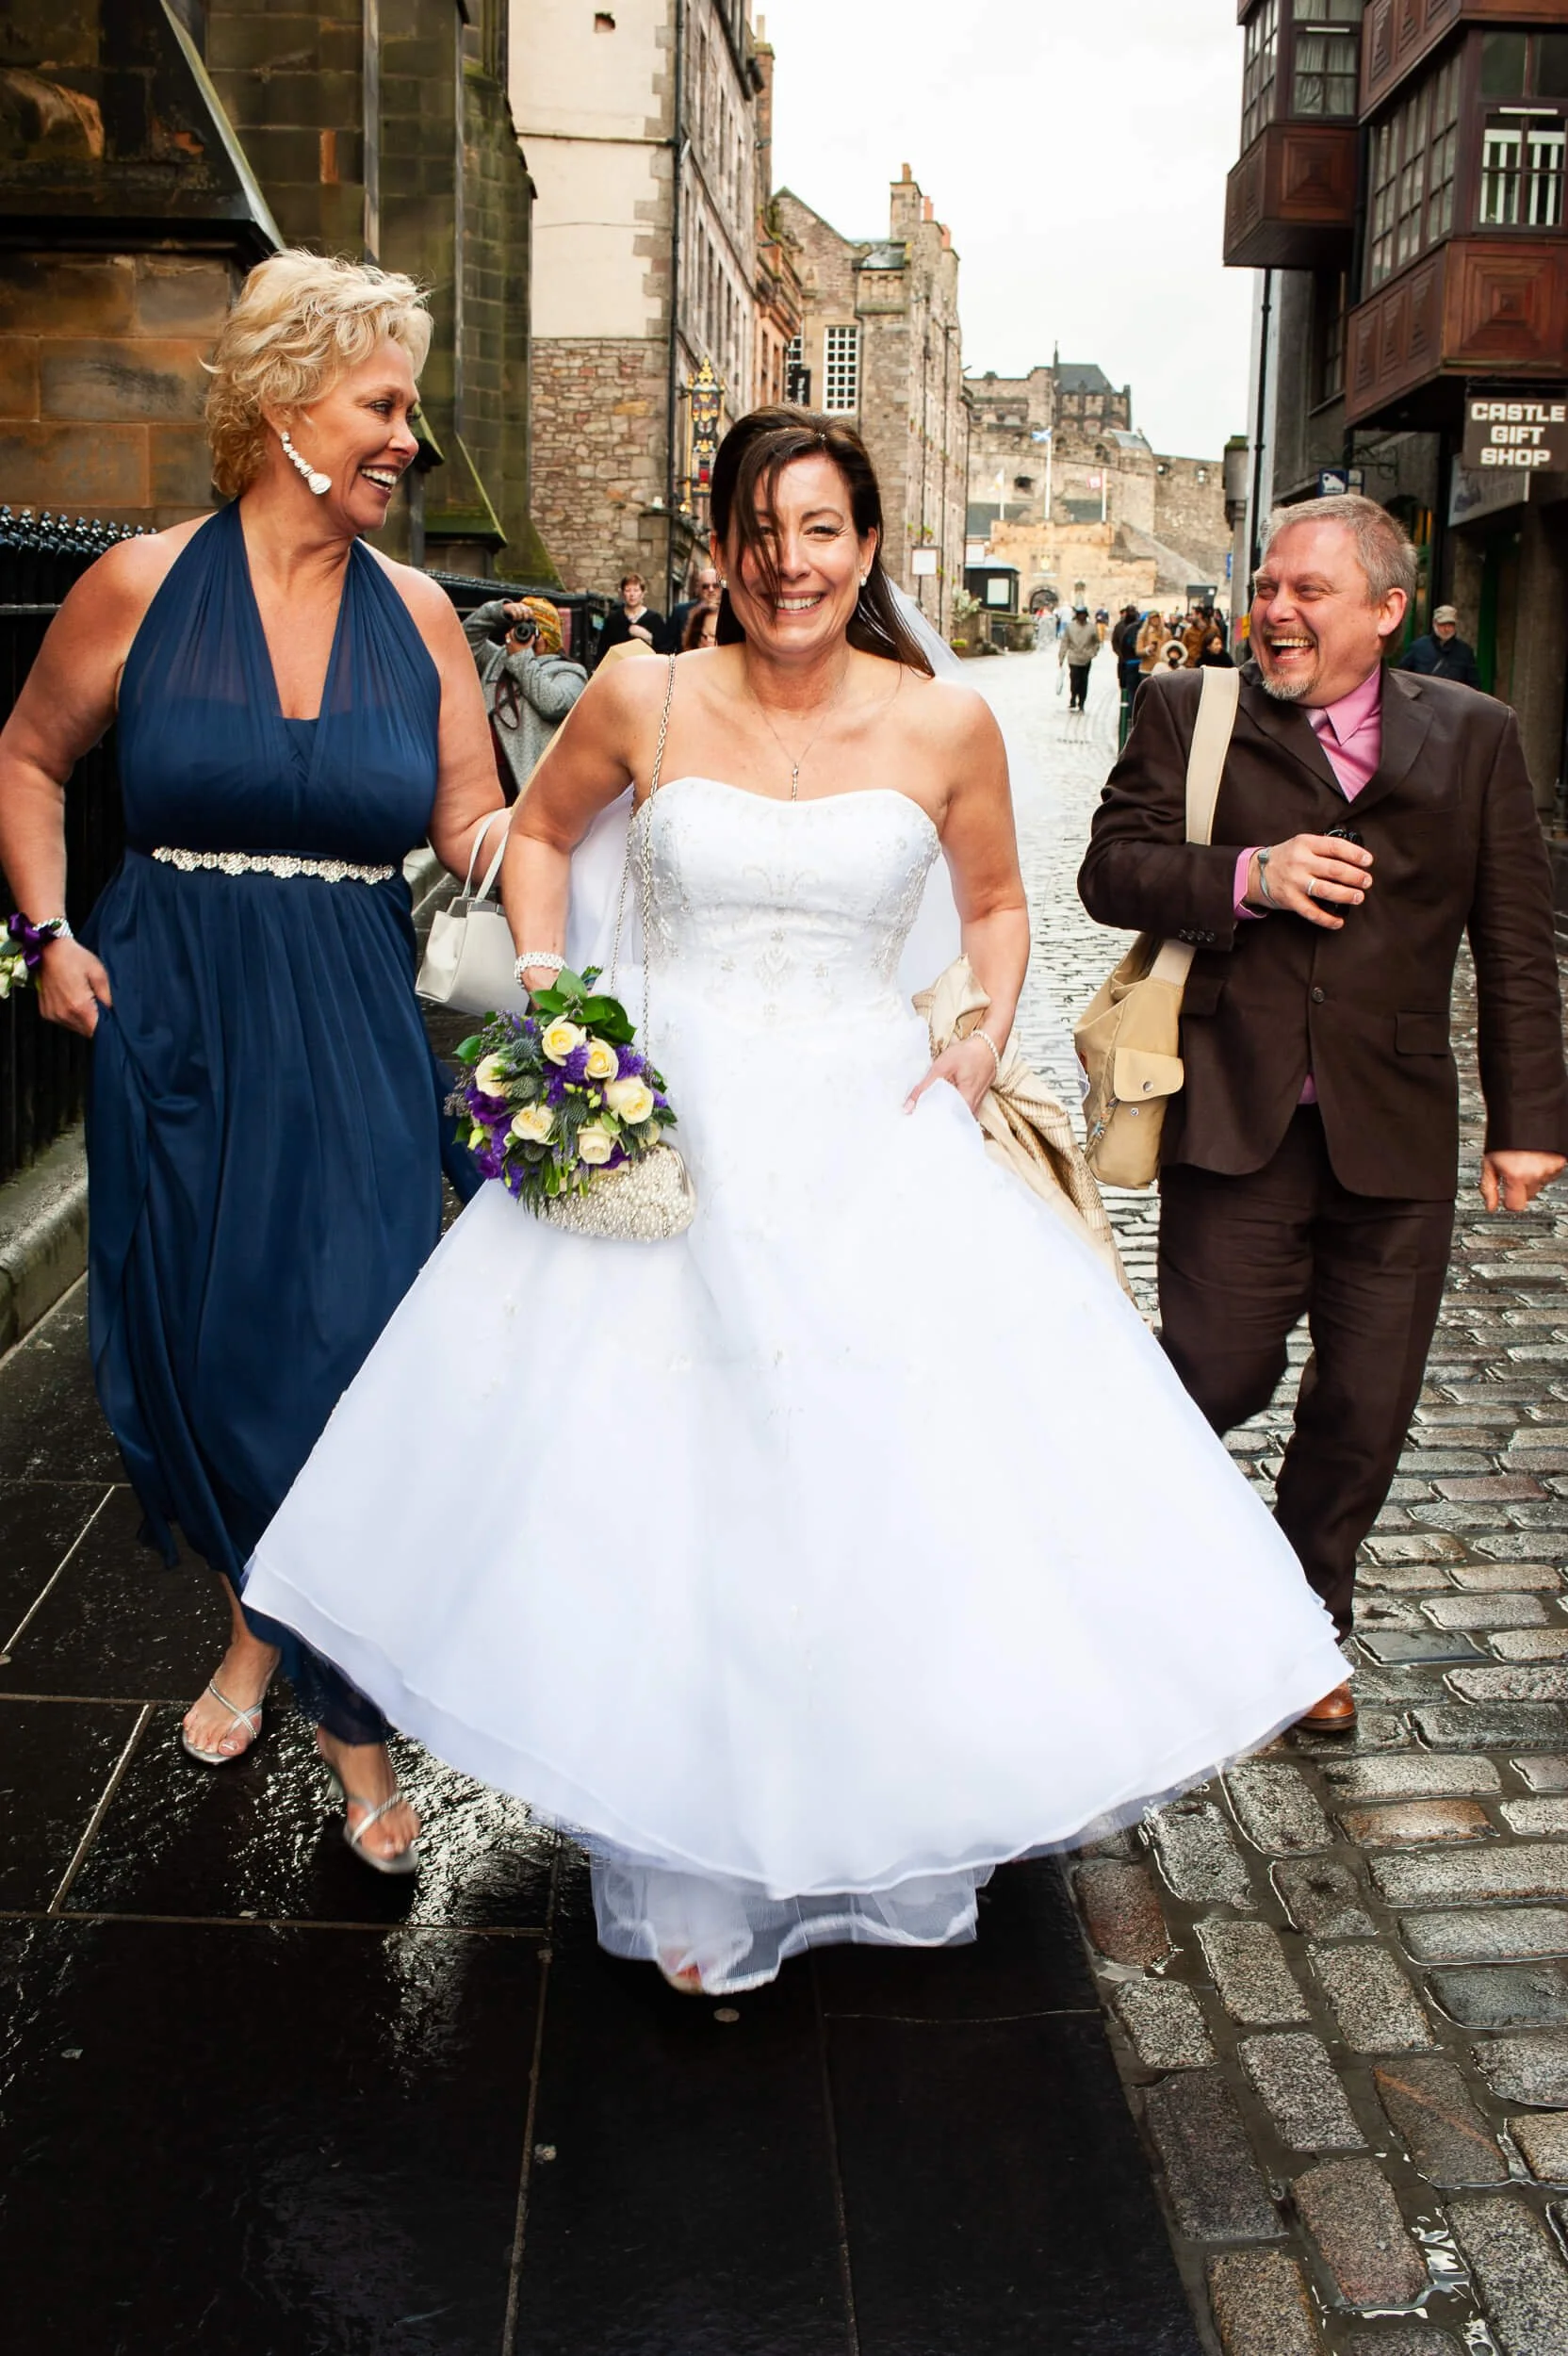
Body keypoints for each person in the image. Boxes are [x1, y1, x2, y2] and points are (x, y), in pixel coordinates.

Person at [242, 402, 1342, 1994]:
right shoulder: (642, 691)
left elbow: (994, 904)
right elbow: (537, 838)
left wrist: (970, 1040)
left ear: (866, 545)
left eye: (819, 529)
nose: (788, 562)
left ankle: (851, 1803)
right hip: (664, 1124)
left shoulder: (938, 723)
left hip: (858, 1127)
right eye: (760, 531)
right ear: (722, 550)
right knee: (659, 1486)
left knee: (851, 1481)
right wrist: (557, 1001)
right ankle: (687, 1860)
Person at [0, 250, 505, 1864]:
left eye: (407, 410)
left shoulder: (421, 614)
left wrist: (649, 789)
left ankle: (349, 1733)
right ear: (284, 405)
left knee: (347, 1376)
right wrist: (43, 935)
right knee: (209, 1372)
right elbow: (25, 756)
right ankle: (252, 1629)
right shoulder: (140, 586)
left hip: (356, 1046)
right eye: (381, 404)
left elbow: (478, 832)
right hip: (177, 1025)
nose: (406, 440)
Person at [1079, 494, 1568, 1735]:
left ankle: (1304, 1633)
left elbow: (1515, 945)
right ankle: (1122, 1546)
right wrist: (1249, 876)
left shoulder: (1476, 737)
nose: (1278, 611)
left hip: (1393, 1128)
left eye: (1310, 592)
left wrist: (1530, 1120)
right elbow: (1110, 869)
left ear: (1389, 612)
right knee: (1221, 1370)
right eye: (1268, 588)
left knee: (1364, 1404)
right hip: (1234, 1114)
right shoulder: (1192, 713)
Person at [464, 594, 587, 800]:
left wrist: (521, 658)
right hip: (482, 777)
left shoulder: (570, 672)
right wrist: (498, 612)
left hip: (526, 789)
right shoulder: (499, 659)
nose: (523, 632)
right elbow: (462, 641)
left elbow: (553, 704)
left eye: (531, 627)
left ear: (547, 637)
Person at [1397, 602, 1480, 689]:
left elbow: (1474, 684)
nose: (1446, 629)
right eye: (1442, 624)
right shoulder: (1417, 648)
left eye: (1450, 625)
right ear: (1434, 623)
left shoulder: (1465, 651)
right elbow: (1402, 677)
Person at [596, 572, 663, 660]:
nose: (632, 594)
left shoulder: (655, 619)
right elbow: (603, 650)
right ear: (623, 593)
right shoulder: (613, 620)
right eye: (628, 590)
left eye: (636, 590)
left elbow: (664, 651)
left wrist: (648, 637)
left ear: (643, 593)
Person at [662, 563, 722, 655]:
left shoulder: (732, 612)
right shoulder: (680, 612)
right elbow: (667, 647)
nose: (711, 590)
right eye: (705, 586)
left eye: (715, 586)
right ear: (698, 588)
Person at [1059, 601, 1100, 710]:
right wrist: (1061, 657)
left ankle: (1082, 701)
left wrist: (1093, 653)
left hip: (1086, 658)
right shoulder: (1070, 627)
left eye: (1083, 614)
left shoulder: (1092, 628)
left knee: (1084, 680)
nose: (1082, 617)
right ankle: (1073, 697)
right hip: (1074, 657)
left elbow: (1096, 642)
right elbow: (1065, 642)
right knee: (1074, 679)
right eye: (1079, 614)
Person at [1136, 608, 1167, 674]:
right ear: (1149, 620)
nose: (1155, 620)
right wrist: (1147, 650)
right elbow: (1138, 651)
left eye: (1157, 617)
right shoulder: (1143, 633)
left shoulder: (1166, 632)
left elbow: (1170, 648)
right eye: (1152, 618)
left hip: (1162, 669)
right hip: (1147, 669)